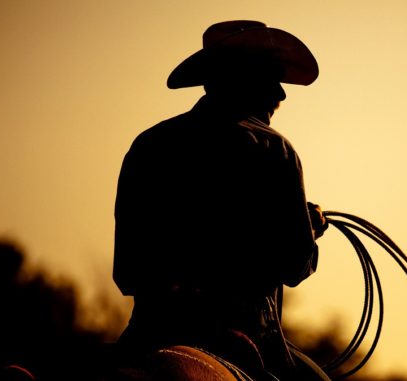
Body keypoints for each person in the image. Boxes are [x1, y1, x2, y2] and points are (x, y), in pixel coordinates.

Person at [112, 20, 329, 381]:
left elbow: (127, 274)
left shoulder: (148, 145)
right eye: (269, 78)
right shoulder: (273, 148)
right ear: (243, 80)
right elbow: (295, 265)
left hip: (147, 331)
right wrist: (308, 230)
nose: (281, 94)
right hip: (245, 335)